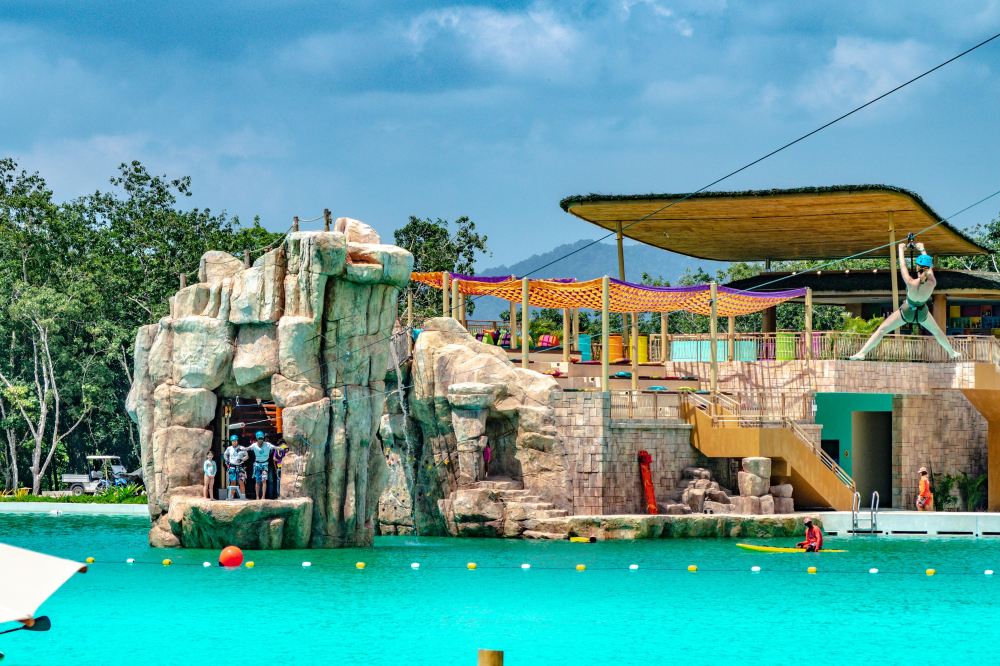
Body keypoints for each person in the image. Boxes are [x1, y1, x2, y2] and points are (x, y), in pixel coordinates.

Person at [850, 239, 961, 360]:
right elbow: (928, 269)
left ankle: (862, 353)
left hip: (907, 311)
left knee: (882, 330)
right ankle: (951, 352)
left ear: (917, 267)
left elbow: (903, 265)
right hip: (922, 313)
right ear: (929, 268)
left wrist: (901, 249)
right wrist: (922, 249)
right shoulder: (932, 282)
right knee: (937, 332)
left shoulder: (910, 282)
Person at [249, 431, 274, 501]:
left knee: (266, 481)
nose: (261, 440)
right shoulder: (255, 446)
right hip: (258, 464)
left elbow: (273, 454)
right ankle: (257, 496)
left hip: (267, 465)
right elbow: (251, 452)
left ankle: (265, 496)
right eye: (260, 438)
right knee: (257, 481)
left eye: (262, 438)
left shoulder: (268, 446)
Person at [224, 434, 247, 499]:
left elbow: (247, 456)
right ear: (231, 441)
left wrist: (242, 459)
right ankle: (231, 497)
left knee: (241, 482)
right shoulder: (229, 448)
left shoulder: (242, 448)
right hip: (232, 467)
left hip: (240, 467)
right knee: (233, 482)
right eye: (233, 441)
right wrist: (227, 460)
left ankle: (243, 497)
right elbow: (225, 455)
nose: (235, 442)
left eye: (236, 441)